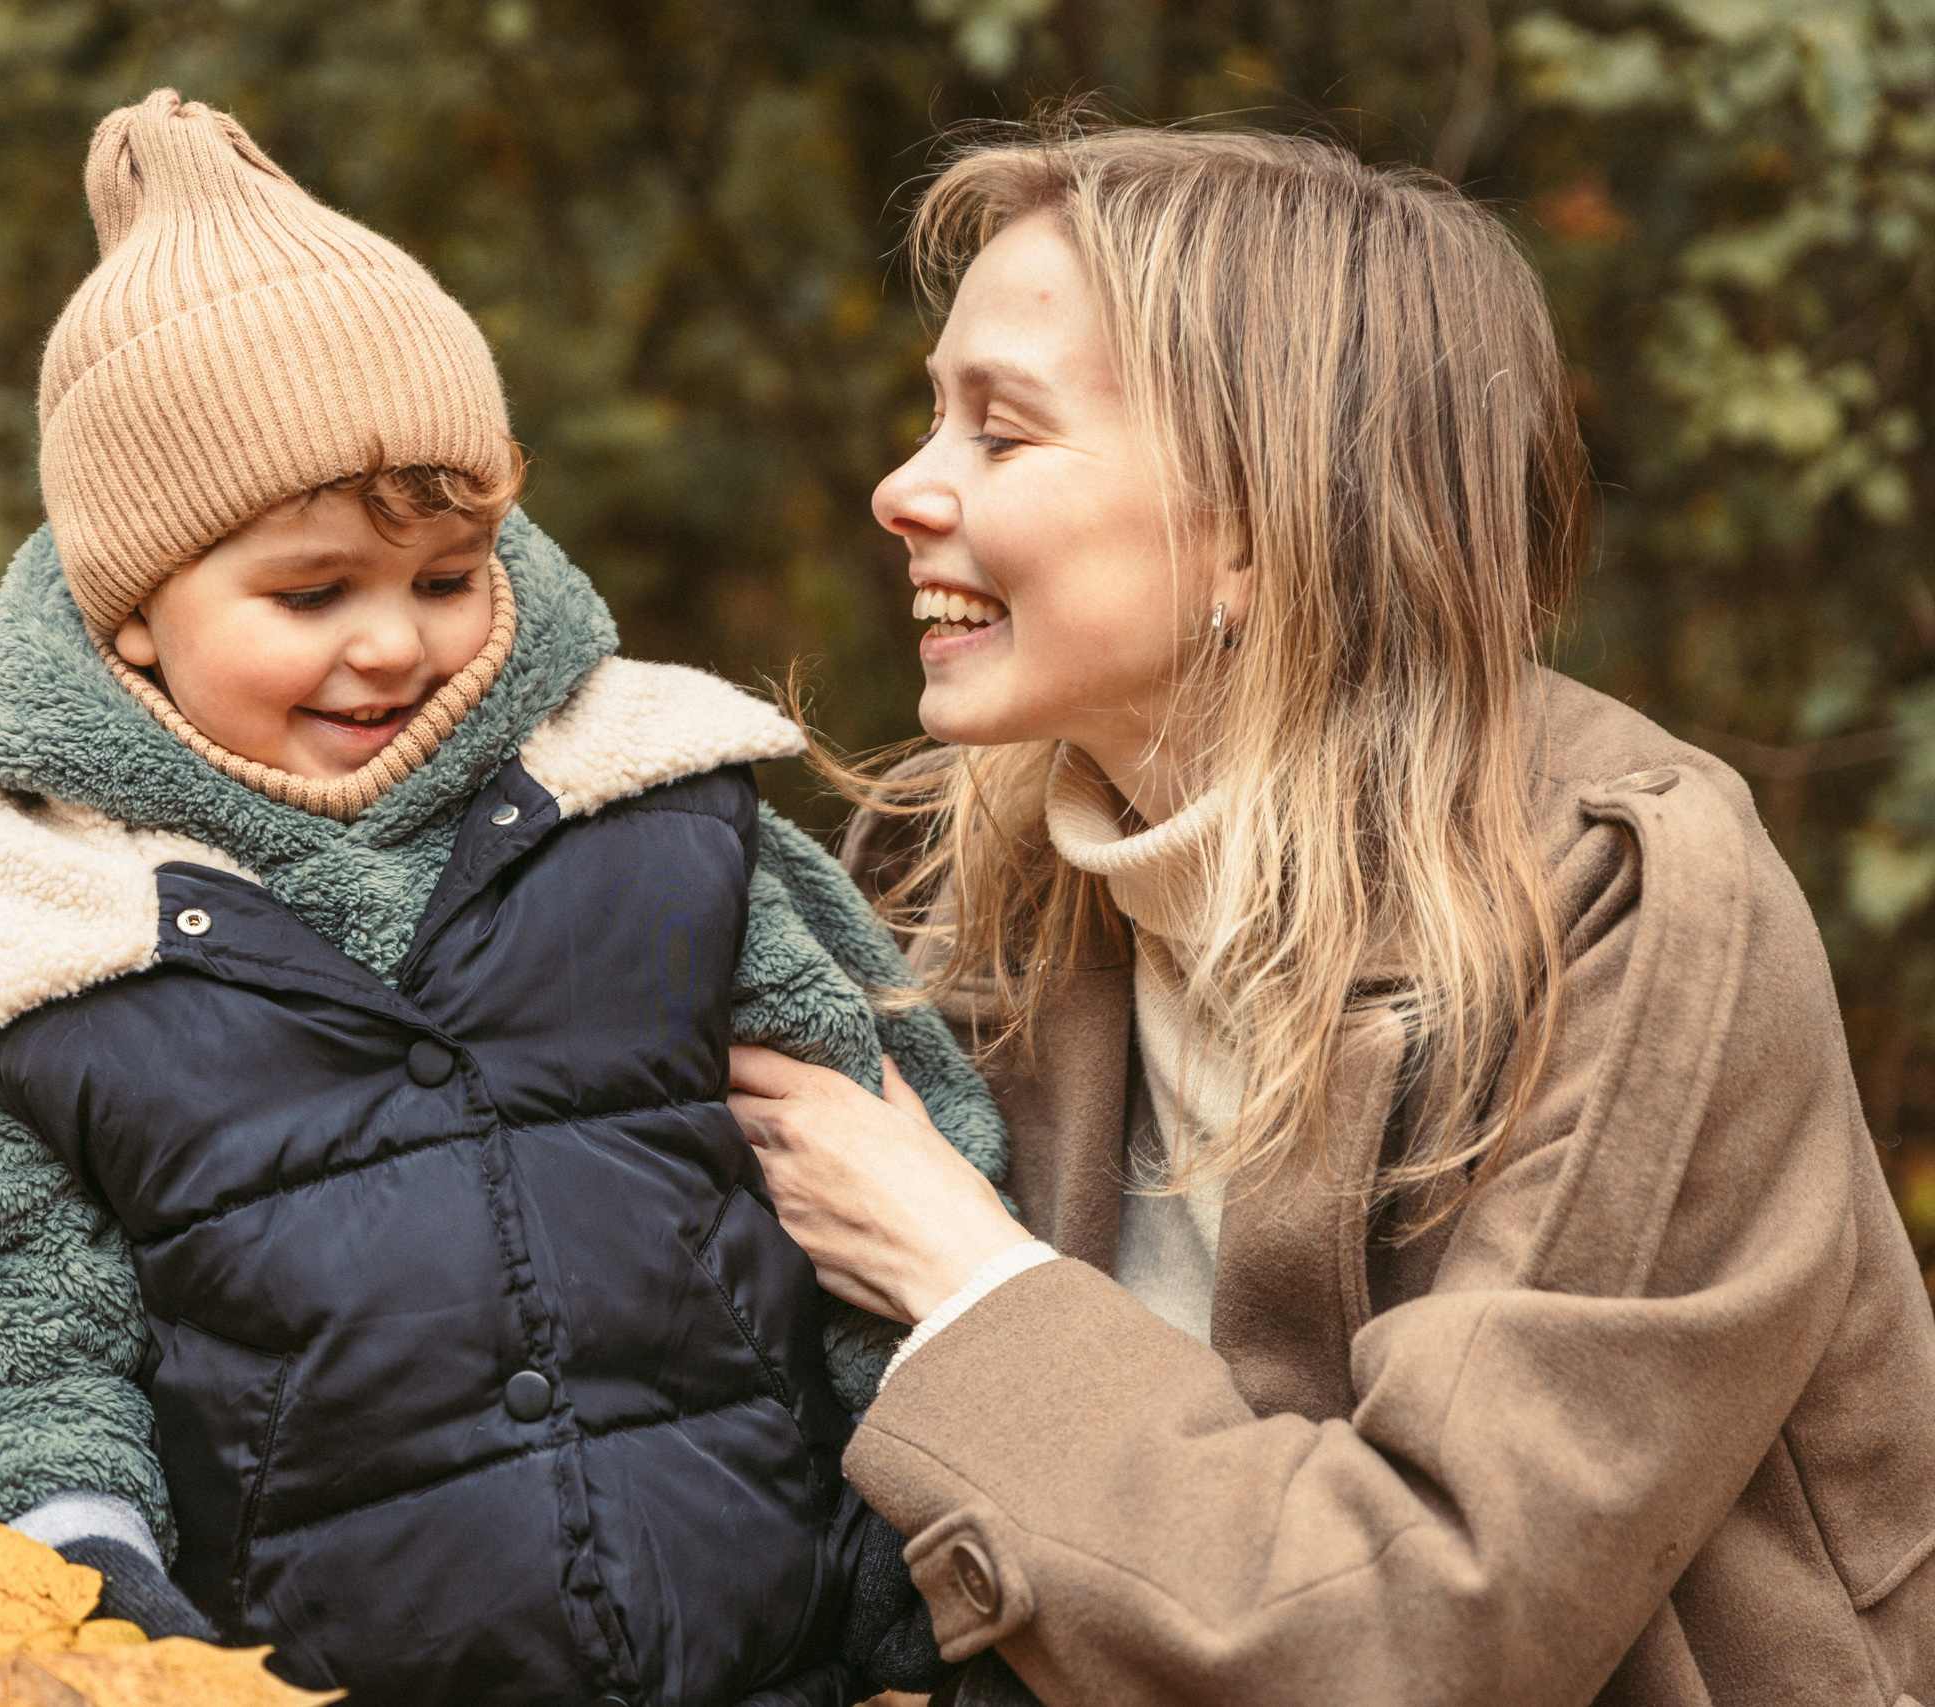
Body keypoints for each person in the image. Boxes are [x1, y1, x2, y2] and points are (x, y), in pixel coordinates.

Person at [724, 122, 1935, 1706]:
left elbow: (1423, 1633)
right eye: (929, 419)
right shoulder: (967, 897)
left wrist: (958, 1271)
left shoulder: (1626, 905)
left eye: (1001, 437)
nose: (902, 489)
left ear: (1252, 523)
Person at [0, 90, 988, 1707]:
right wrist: (79, 1578)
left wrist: (926, 1539)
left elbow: (893, 1141)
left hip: (770, 1651)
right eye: (311, 593)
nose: (392, 641)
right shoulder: (37, 941)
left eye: (447, 576)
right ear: (133, 622)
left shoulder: (652, 802)